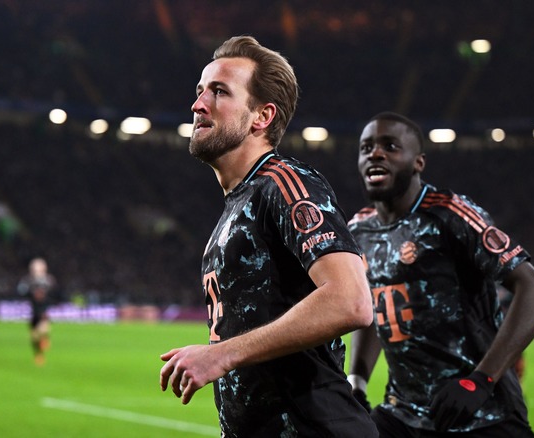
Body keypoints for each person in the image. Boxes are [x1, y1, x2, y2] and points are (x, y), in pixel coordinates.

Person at [159, 35, 378, 437]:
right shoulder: (239, 203)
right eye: (199, 91)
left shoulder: (284, 183)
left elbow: (352, 301)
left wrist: (220, 356)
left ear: (261, 117)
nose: (197, 104)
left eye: (219, 91)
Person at [347, 112, 534, 437]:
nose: (375, 153)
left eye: (390, 146)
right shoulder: (358, 230)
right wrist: (357, 380)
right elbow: (374, 306)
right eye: (366, 147)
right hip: (402, 415)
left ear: (418, 163)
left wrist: (481, 379)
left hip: (482, 415)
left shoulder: (450, 215)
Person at [17, 257, 57, 365]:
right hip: (33, 312)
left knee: (43, 329)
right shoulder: (28, 281)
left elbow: (54, 293)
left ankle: (44, 339)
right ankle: (39, 354)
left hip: (44, 312)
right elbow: (21, 291)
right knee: (34, 337)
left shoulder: (48, 280)